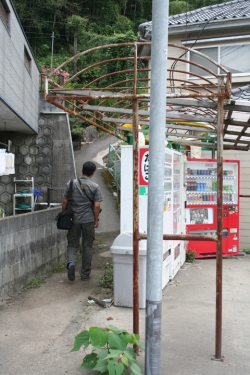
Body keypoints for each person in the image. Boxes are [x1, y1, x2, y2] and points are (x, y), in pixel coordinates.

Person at [62, 161, 103, 281]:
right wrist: (96, 220)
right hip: (88, 220)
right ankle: (85, 274)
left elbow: (65, 201)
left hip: (73, 220)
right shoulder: (95, 186)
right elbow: (96, 206)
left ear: (82, 170)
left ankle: (71, 263)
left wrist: (64, 214)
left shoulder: (70, 184)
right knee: (87, 246)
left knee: (72, 244)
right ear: (93, 173)